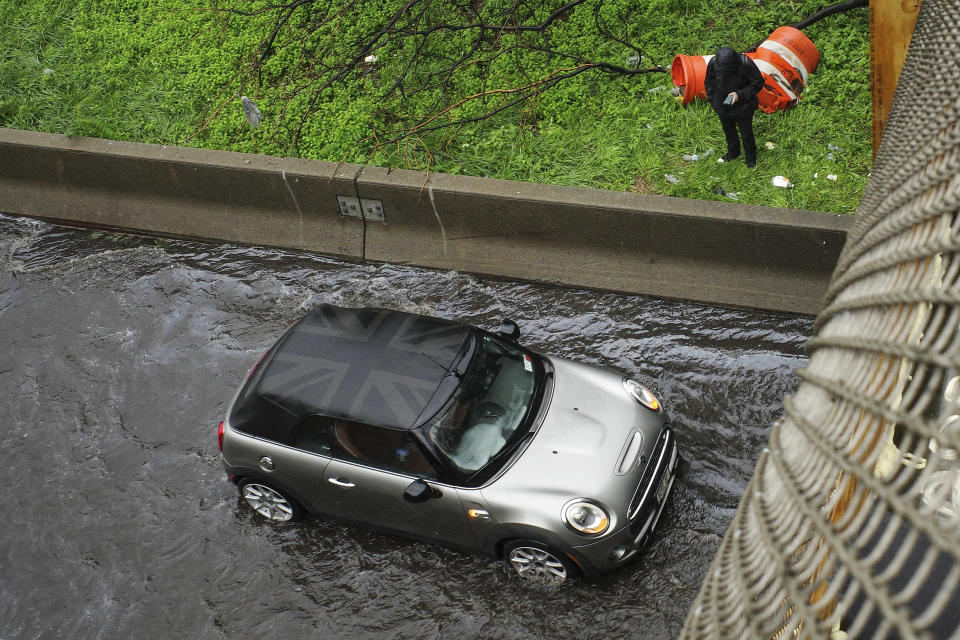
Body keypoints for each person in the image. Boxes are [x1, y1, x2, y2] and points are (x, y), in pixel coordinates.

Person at [704, 46, 764, 168]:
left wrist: (739, 94)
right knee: (728, 130)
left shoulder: (745, 62)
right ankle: (733, 152)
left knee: (746, 133)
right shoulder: (714, 63)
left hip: (744, 104)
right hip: (722, 103)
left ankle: (751, 160)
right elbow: (709, 83)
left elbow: (758, 83)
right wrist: (714, 101)